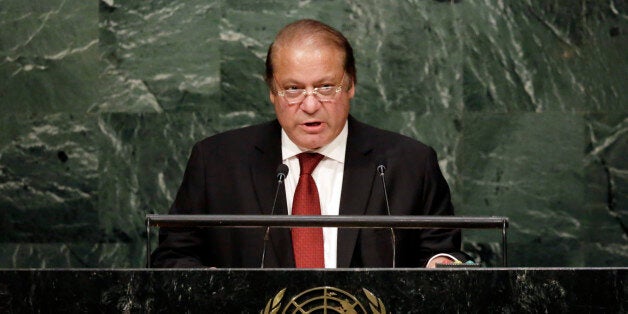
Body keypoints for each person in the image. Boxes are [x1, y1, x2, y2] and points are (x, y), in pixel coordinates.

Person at [150, 19, 468, 268]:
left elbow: (440, 251)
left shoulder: (409, 163)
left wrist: (441, 266)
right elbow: (173, 255)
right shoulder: (217, 162)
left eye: (325, 87)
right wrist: (206, 284)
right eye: (293, 89)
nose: (310, 105)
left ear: (351, 85)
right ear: (272, 92)